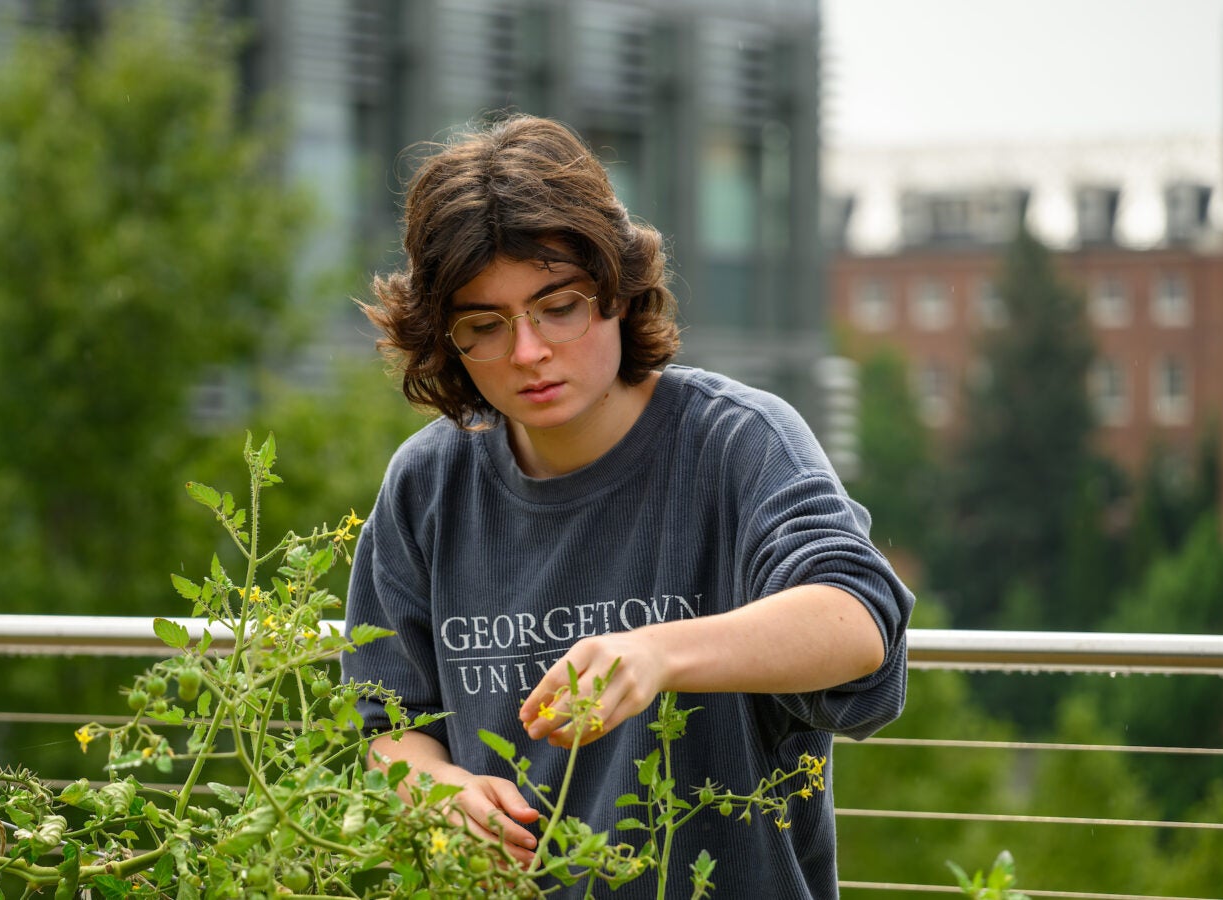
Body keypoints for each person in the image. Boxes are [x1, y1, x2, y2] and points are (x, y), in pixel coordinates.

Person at [341, 114, 912, 899]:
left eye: (559, 307)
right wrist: (436, 790)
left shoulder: (738, 442)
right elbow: (387, 726)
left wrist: (654, 654)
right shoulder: (425, 485)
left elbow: (857, 622)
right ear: (445, 338)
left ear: (616, 289)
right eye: (484, 325)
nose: (528, 351)